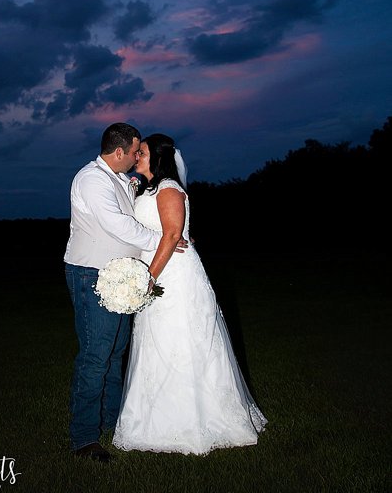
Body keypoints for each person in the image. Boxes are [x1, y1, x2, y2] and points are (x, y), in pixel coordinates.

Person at [112, 133, 267, 455]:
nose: (135, 156)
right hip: (158, 266)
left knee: (181, 340)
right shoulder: (147, 189)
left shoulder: (169, 189)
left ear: (157, 156)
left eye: (141, 152)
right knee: (156, 342)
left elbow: (171, 235)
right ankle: (154, 418)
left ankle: (197, 420)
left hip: (174, 275)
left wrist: (147, 278)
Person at [64, 123, 188, 463]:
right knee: (95, 357)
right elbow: (115, 224)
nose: (137, 159)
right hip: (92, 274)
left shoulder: (122, 179)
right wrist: (162, 241)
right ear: (119, 152)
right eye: (135, 152)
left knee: (115, 352)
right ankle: (85, 439)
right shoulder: (91, 179)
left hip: (121, 277)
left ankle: (113, 422)